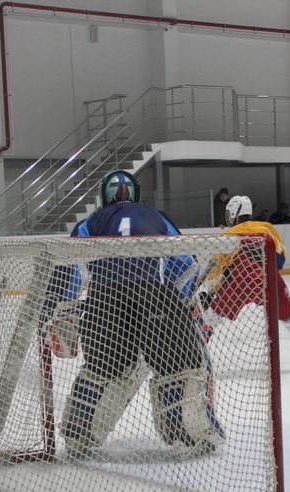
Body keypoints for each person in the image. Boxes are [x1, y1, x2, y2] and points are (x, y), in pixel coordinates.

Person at [50, 170, 223, 457]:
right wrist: (177, 300)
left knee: (102, 368)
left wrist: (63, 309)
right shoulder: (156, 216)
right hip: (154, 296)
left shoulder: (89, 222)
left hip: (103, 301)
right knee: (178, 365)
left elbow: (70, 268)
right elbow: (186, 262)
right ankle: (188, 434)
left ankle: (78, 434)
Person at [204, 195, 290, 370]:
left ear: (234, 212)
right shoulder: (266, 227)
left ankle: (195, 354)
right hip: (270, 280)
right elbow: (280, 260)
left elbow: (217, 271)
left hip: (240, 282)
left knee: (211, 318)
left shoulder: (228, 235)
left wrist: (211, 295)